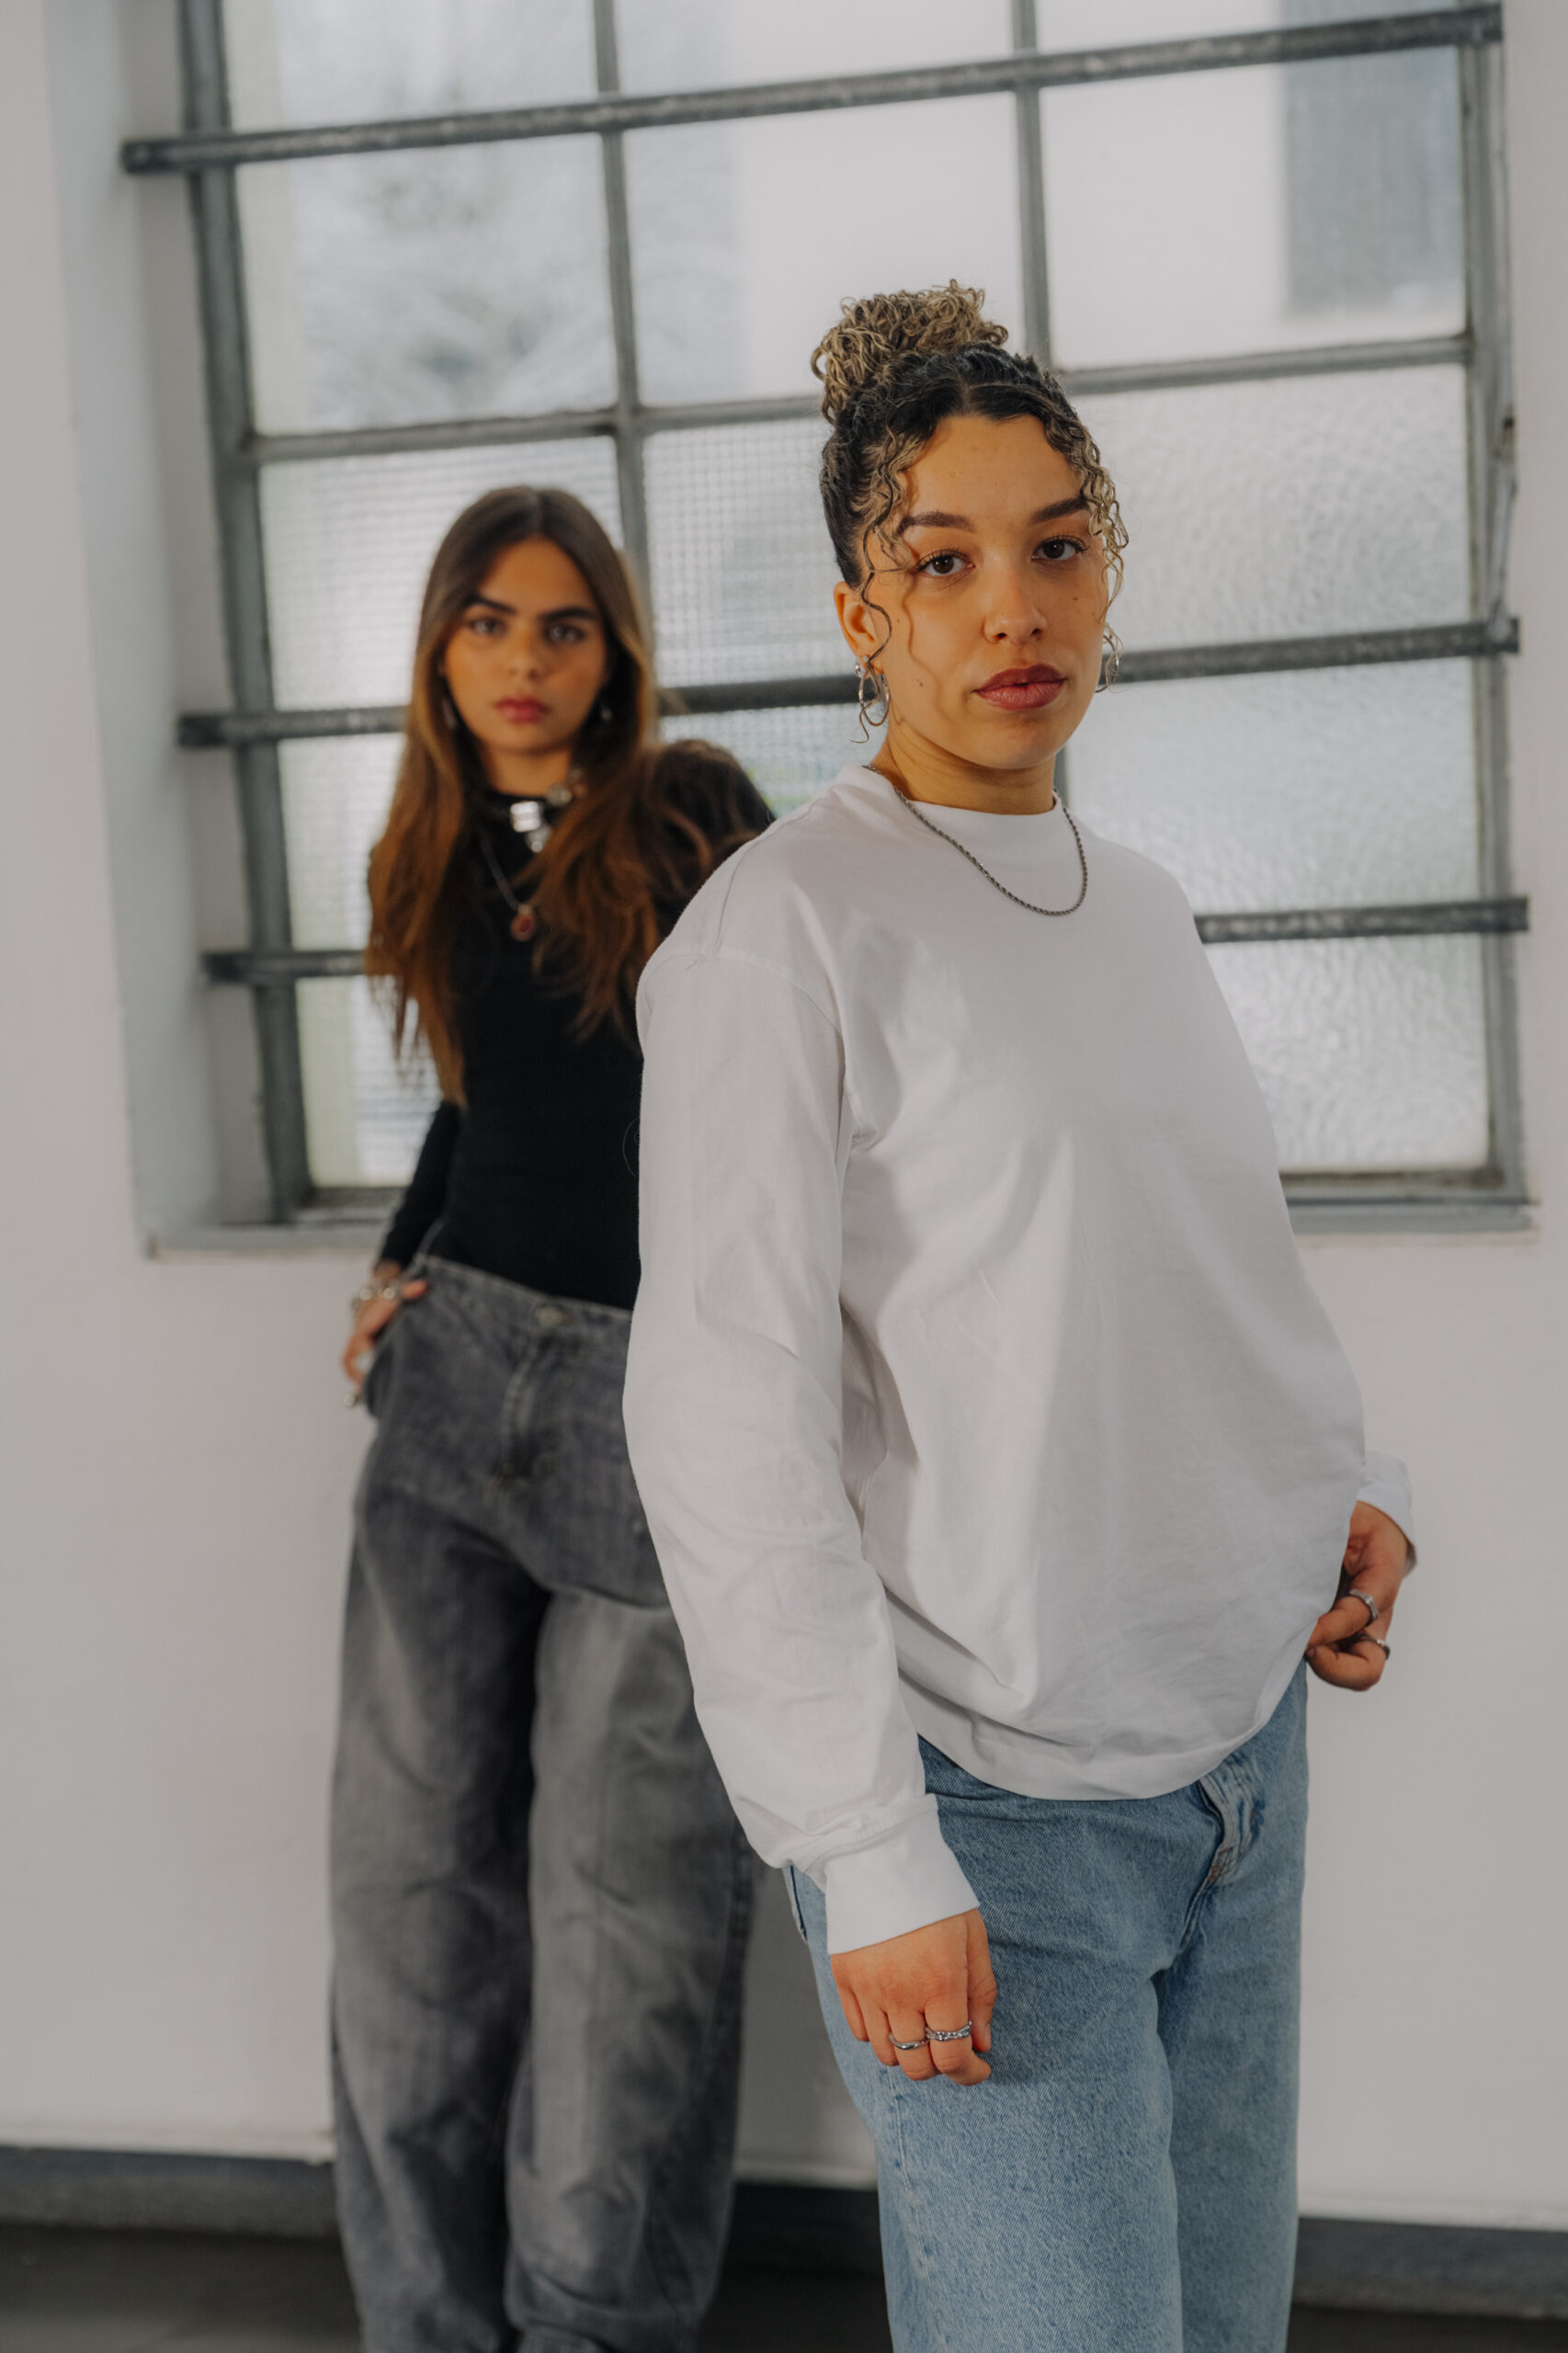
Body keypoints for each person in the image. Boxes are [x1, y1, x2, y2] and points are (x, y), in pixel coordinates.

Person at [622, 287, 1415, 2353]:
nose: (1013, 605)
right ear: (859, 612)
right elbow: (722, 1415)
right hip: (986, 1801)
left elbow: (1198, 1263)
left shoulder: (1134, 898)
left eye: (1057, 544)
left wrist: (1345, 1485)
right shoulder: (784, 932)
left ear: (1106, 572)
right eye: (944, 559)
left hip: (1235, 1762)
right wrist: (862, 1850)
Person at [331, 484, 771, 2353]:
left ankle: (590, 2334)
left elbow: (791, 1085)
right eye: (488, 621)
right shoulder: (439, 851)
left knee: (626, 1929)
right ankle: (427, 2327)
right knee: (410, 1912)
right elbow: (483, 1101)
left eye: (563, 624)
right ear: (441, 647)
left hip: (651, 1408)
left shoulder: (686, 815)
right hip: (453, 1398)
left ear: (616, 652)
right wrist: (396, 1260)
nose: (523, 659)